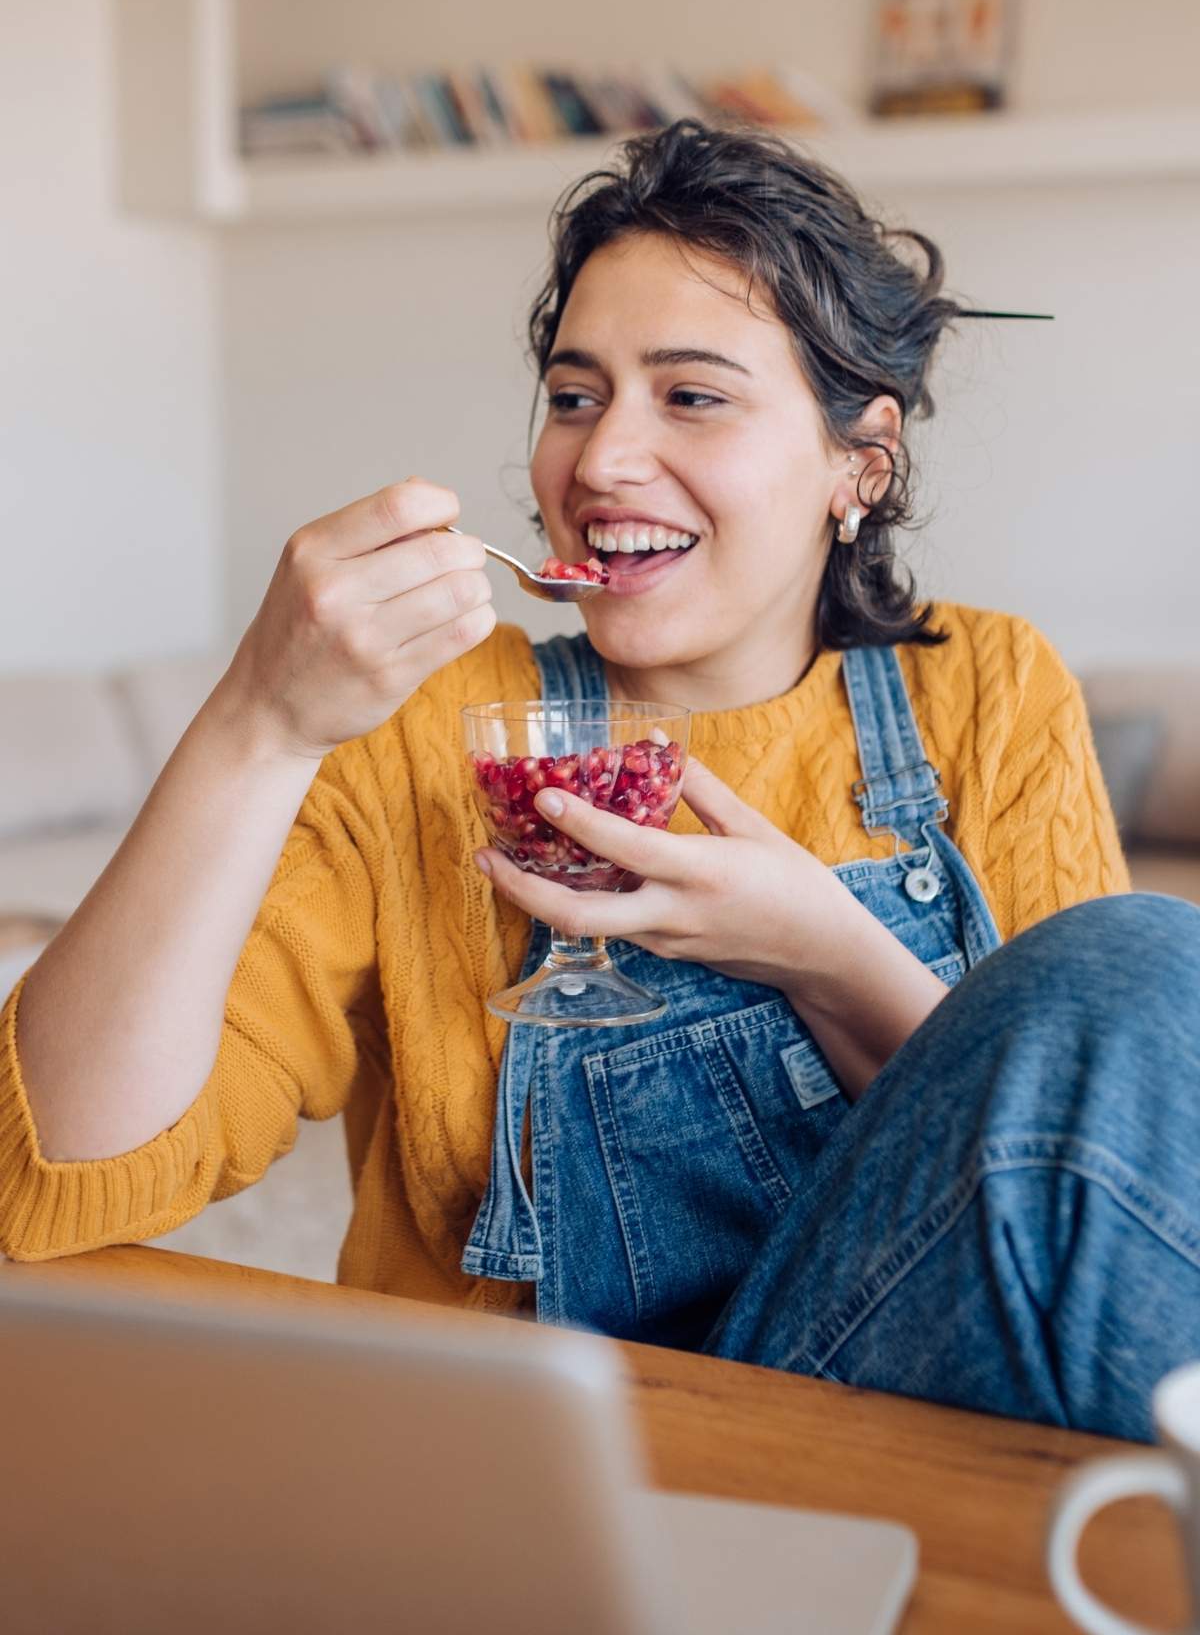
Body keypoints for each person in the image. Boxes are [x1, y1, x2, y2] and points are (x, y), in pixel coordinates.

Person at [3, 121, 1196, 1441]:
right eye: (576, 396)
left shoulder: (984, 690)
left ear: (863, 461)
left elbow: (1081, 1184)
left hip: (904, 1422)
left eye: (690, 395)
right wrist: (257, 724)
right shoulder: (435, 720)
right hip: (547, 1463)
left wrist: (824, 954)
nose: (602, 459)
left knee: (1144, 965)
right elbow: (62, 1175)